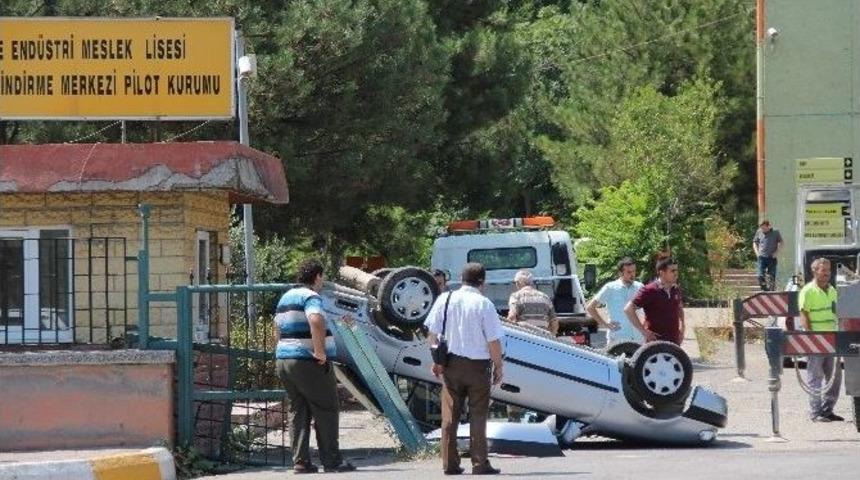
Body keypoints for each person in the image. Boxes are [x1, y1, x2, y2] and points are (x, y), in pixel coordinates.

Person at [274, 259, 356, 474]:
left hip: (284, 359)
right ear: (317, 276)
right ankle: (332, 460)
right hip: (308, 361)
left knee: (297, 410)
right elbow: (316, 320)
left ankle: (300, 461)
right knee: (326, 408)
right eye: (323, 277)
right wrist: (319, 351)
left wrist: (281, 350)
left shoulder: (285, 298)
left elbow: (277, 327)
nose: (323, 281)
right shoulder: (311, 296)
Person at [425, 262, 504, 475]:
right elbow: (493, 341)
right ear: (482, 281)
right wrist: (499, 367)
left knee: (450, 415)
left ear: (461, 279)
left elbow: (432, 334)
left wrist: (436, 360)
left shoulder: (445, 299)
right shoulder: (484, 304)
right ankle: (480, 463)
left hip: (450, 364)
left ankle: (449, 463)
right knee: (478, 414)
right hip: (478, 367)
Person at [798, 257, 843, 423]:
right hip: (816, 339)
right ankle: (815, 412)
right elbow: (804, 315)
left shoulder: (832, 290)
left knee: (835, 377)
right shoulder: (808, 291)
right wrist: (810, 337)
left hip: (832, 339)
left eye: (828, 271)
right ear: (814, 271)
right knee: (814, 377)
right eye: (823, 271)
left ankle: (827, 410)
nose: (826, 274)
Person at [624, 257, 685, 345]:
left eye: (676, 270)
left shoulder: (675, 289)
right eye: (672, 271)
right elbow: (628, 309)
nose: (676, 273)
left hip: (674, 343)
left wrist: (683, 328)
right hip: (655, 345)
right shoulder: (650, 290)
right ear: (662, 273)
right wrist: (644, 331)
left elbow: (679, 308)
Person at [585, 258, 644, 344]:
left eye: (634, 271)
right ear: (620, 273)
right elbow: (590, 307)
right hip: (618, 338)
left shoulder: (640, 287)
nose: (632, 275)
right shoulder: (611, 288)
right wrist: (604, 324)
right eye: (629, 272)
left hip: (638, 338)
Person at [507, 269, 558, 335]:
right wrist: (552, 337)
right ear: (531, 282)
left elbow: (511, 317)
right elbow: (554, 321)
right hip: (543, 339)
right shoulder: (545, 297)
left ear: (518, 283)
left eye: (516, 282)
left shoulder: (516, 296)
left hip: (526, 338)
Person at [753, 220, 784, 291]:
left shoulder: (775, 232)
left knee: (771, 276)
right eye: (761, 228)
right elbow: (754, 243)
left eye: (764, 228)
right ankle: (764, 290)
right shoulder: (759, 232)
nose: (763, 230)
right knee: (760, 275)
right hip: (761, 257)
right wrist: (757, 253)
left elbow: (781, 243)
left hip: (771, 258)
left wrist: (776, 253)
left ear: (768, 226)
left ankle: (771, 291)